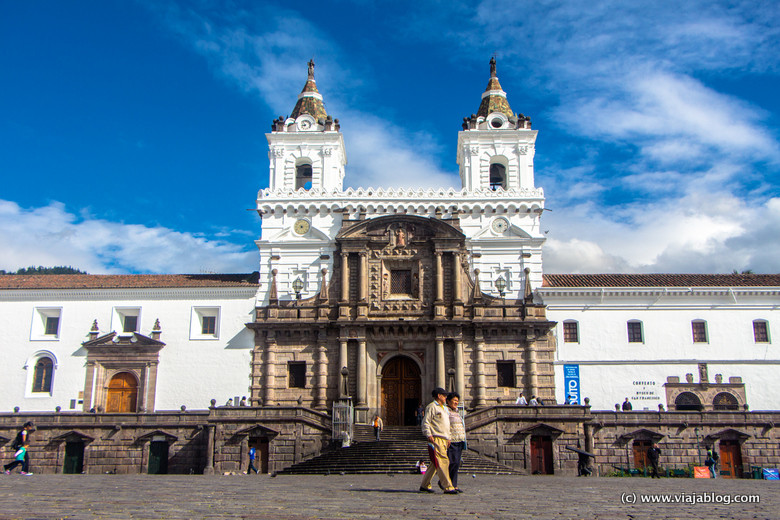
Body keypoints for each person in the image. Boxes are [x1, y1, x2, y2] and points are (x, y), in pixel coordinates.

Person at [419, 387, 457, 494]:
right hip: (436, 438)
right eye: (444, 395)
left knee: (434, 463)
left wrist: (449, 437)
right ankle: (448, 486)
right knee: (443, 461)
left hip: (444, 438)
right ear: (439, 396)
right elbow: (426, 422)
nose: (446, 397)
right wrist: (428, 434)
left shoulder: (444, 408)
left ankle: (425, 485)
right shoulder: (432, 407)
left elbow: (446, 425)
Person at [446, 392, 466, 493]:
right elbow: (445, 425)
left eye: (457, 401)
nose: (456, 402)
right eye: (454, 400)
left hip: (459, 440)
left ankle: (454, 484)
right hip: (451, 440)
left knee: (457, 463)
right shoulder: (445, 411)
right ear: (448, 401)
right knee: (452, 463)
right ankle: (446, 483)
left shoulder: (457, 412)